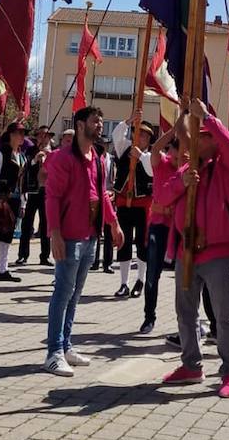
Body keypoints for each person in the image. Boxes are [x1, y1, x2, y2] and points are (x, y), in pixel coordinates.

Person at [159, 99, 229, 399]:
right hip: (188, 251)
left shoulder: (227, 168)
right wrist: (181, 183)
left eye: (203, 135)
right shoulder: (186, 169)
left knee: (224, 314)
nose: (196, 141)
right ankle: (191, 365)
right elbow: (163, 196)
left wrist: (207, 117)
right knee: (185, 311)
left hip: (218, 252)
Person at [43, 105, 124, 376]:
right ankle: (53, 352)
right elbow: (52, 197)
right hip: (69, 237)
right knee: (62, 294)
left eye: (101, 121)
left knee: (75, 295)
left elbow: (101, 195)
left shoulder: (98, 159)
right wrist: (54, 232)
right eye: (95, 121)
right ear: (80, 125)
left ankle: (66, 345)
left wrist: (113, 223)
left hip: (91, 237)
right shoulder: (63, 158)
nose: (100, 126)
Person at [140, 119, 184, 336]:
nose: (178, 161)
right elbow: (156, 148)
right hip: (159, 227)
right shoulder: (162, 164)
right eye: (175, 157)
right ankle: (149, 317)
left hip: (180, 230)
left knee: (185, 278)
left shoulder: (186, 169)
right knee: (152, 275)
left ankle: (186, 322)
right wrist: (174, 130)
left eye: (182, 158)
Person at [111, 112, 154, 298]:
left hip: (143, 205)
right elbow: (116, 135)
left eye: (144, 135)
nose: (140, 137)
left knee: (142, 243)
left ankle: (141, 280)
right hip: (124, 203)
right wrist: (128, 121)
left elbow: (152, 172)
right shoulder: (124, 148)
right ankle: (123, 283)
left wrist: (142, 156)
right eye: (138, 133)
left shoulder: (151, 155)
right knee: (124, 242)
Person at [0, 121, 26, 282]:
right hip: (2, 200)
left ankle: (3, 269)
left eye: (23, 133)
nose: (22, 136)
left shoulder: (21, 156)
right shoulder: (0, 154)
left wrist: (23, 202)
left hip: (15, 200)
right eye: (19, 133)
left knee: (8, 235)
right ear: (11, 135)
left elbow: (22, 182)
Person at [18, 126, 52, 266]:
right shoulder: (31, 150)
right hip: (32, 190)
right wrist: (34, 159)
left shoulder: (54, 151)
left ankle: (45, 256)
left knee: (46, 225)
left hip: (48, 191)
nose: (43, 138)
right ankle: (23, 255)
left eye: (46, 135)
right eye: (41, 135)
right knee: (27, 224)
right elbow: (25, 167)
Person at [91, 137, 115, 273]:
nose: (103, 147)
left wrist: (114, 192)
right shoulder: (93, 159)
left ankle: (108, 263)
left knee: (109, 232)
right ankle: (94, 261)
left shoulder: (112, 159)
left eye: (105, 144)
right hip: (96, 198)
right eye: (101, 144)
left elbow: (117, 179)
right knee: (96, 231)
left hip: (109, 197)